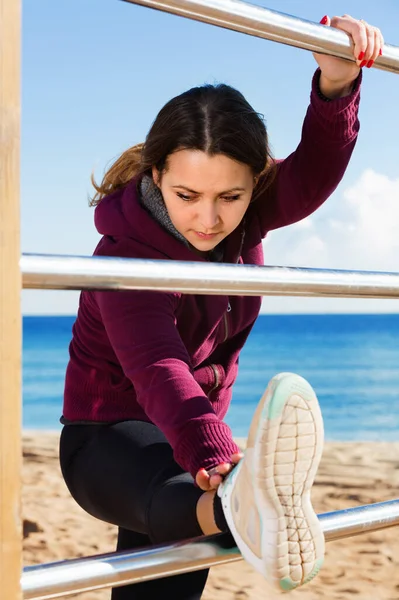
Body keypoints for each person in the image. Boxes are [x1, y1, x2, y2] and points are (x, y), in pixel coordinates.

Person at [59, 13, 384, 600]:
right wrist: (218, 455)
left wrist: (337, 86)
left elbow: (312, 174)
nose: (208, 219)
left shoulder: (246, 219)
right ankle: (242, 505)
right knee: (191, 506)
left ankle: (237, 502)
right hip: (106, 438)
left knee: (166, 588)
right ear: (156, 177)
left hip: (190, 439)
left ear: (252, 185)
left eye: (229, 197)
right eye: (187, 196)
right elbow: (160, 368)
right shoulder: (123, 258)